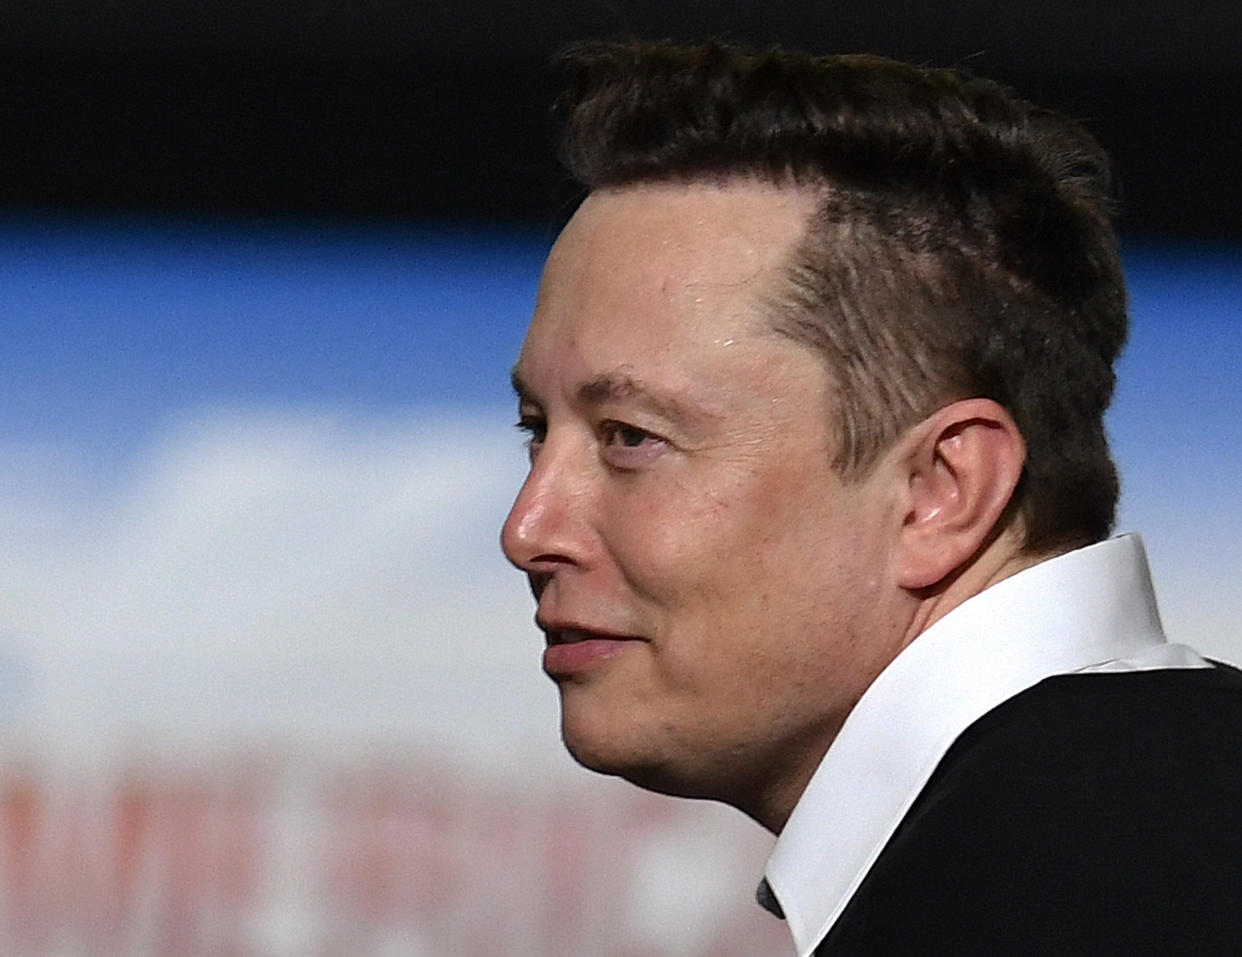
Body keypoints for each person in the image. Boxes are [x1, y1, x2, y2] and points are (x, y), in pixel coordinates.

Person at [500, 39, 1242, 955]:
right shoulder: (1153, 819)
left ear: (942, 490)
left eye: (631, 438)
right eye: (537, 429)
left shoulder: (1042, 900)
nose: (527, 529)